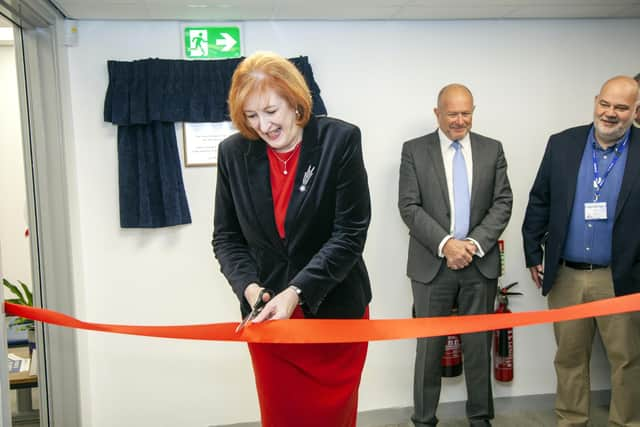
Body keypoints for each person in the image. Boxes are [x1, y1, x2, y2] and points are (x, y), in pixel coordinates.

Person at [212, 51, 372, 427]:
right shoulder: (233, 153)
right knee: (282, 416)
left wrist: (297, 292)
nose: (264, 126)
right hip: (269, 320)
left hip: (334, 310)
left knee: (333, 417)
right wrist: (249, 288)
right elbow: (227, 237)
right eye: (251, 116)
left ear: (294, 101)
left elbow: (350, 233)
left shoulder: (340, 140)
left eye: (271, 111)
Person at [522, 75, 640, 427]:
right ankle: (571, 422)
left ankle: (627, 423)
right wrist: (532, 253)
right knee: (569, 359)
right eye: (605, 104)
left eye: (621, 107)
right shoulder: (563, 144)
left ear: (636, 111)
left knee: (627, 360)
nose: (610, 113)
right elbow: (539, 199)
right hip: (567, 276)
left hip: (621, 277)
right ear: (595, 101)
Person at [398, 84, 512, 427]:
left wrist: (473, 245)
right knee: (428, 348)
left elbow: (502, 202)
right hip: (432, 265)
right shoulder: (414, 151)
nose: (460, 120)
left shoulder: (493, 150)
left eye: (467, 113)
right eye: (452, 114)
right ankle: (423, 419)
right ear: (437, 113)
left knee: (479, 345)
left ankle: (480, 418)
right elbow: (408, 206)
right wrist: (447, 244)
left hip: (479, 263)